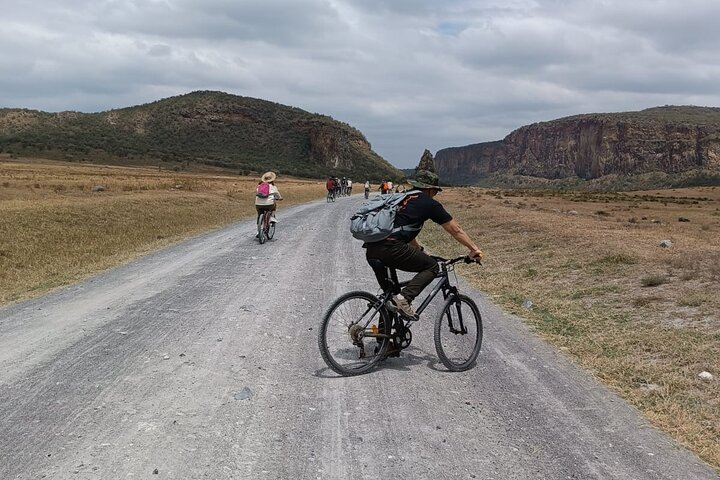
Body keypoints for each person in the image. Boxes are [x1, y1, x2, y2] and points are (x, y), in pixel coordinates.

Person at [364, 170, 483, 319]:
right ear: (429, 189)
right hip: (391, 248)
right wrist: (474, 249)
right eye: (435, 191)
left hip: (372, 249)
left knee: (391, 296)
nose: (435, 195)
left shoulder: (401, 198)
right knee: (432, 266)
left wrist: (420, 250)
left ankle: (386, 339)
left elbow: (403, 230)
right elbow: (455, 229)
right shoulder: (428, 203)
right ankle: (404, 299)